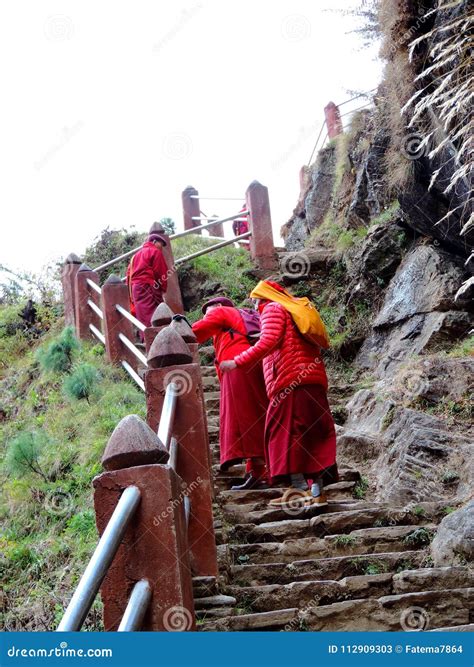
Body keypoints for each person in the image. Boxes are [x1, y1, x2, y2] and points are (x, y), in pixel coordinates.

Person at [220, 280, 338, 508]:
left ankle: (299, 491)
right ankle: (316, 492)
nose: (254, 306)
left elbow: (269, 341)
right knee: (312, 436)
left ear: (263, 296)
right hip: (311, 380)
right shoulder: (291, 309)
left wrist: (237, 361)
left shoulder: (273, 308)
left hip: (290, 382)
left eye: (255, 300)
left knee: (281, 436)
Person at [192, 297, 269, 490]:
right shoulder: (245, 317)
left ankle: (262, 472)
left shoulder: (222, 312)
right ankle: (260, 471)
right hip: (258, 364)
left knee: (245, 419)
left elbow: (195, 333)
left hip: (238, 368)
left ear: (217, 306)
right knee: (258, 417)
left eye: (207, 311)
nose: (206, 315)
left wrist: (173, 330)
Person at [126, 233, 169, 329]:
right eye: (160, 245)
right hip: (149, 286)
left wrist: (130, 295)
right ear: (154, 242)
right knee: (154, 313)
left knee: (142, 315)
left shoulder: (135, 256)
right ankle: (156, 338)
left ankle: (145, 339)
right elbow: (161, 272)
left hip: (135, 289)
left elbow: (129, 276)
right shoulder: (154, 251)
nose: (161, 248)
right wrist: (162, 288)